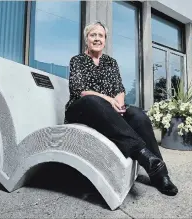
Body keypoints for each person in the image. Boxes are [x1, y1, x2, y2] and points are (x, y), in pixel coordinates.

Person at [65, 21, 178, 196]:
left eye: (100, 36)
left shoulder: (111, 62)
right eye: (92, 35)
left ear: (105, 40)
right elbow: (80, 91)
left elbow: (119, 89)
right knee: (94, 101)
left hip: (107, 113)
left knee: (137, 114)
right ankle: (142, 152)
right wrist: (110, 100)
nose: (97, 39)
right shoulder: (78, 61)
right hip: (82, 110)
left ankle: (159, 173)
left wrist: (119, 102)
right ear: (86, 39)